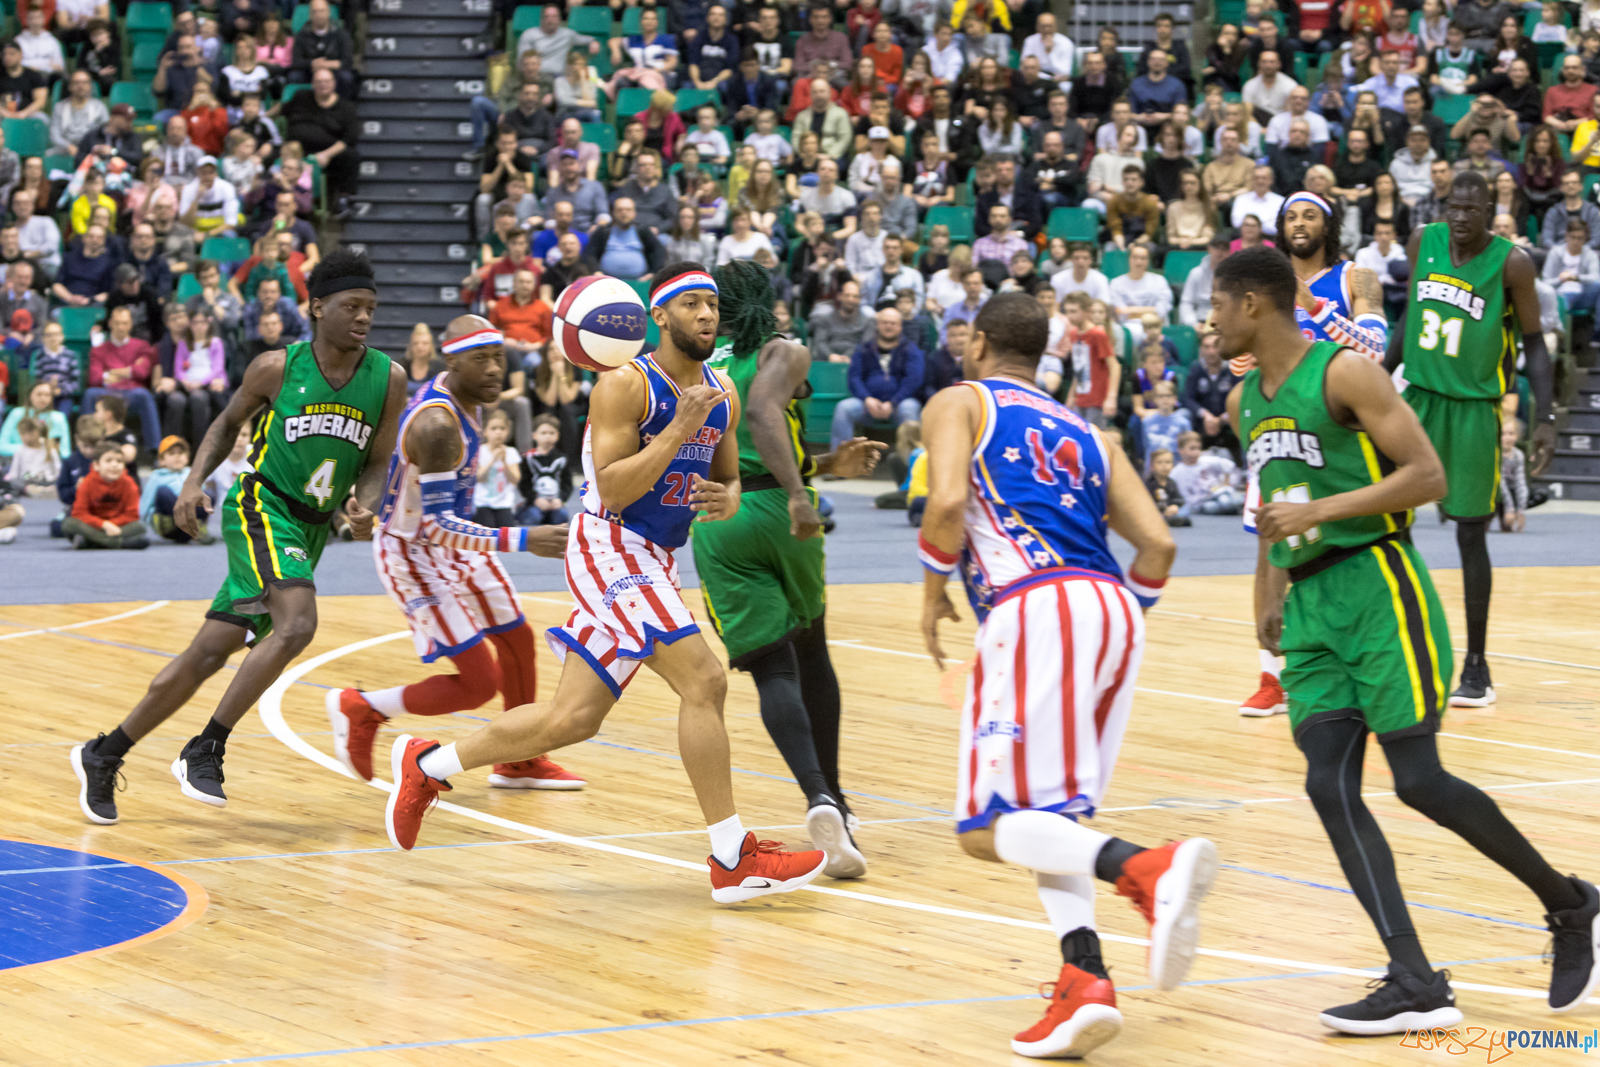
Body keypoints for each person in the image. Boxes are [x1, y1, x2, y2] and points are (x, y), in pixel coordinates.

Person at [1215, 244, 1599, 1033]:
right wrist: (1269, 592)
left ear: (1253, 303)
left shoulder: (1347, 373)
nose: (1209, 323)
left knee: (1418, 779)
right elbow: (1271, 510)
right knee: (1329, 782)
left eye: (1216, 307)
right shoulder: (1242, 401)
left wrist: (1319, 515)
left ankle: (1571, 903)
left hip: (1379, 583)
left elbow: (1428, 477)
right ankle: (1416, 978)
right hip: (1311, 606)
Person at [380, 262, 831, 905]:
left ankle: (428, 766)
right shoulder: (624, 384)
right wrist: (679, 425)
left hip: (657, 557)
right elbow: (615, 490)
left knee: (573, 719)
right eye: (693, 304)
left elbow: (729, 479)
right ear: (661, 317)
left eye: (713, 305)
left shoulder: (723, 391)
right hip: (609, 547)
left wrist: (725, 498)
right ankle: (732, 856)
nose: (708, 314)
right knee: (702, 679)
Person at [918, 290, 1216, 1059]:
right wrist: (1110, 630)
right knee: (1052, 815)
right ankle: (1084, 977)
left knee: (986, 829)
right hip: (1113, 606)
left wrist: (930, 596)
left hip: (1032, 604)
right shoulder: (1091, 429)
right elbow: (1158, 546)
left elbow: (947, 501)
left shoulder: (959, 400)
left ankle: (1145, 866)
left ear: (979, 344)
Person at [69, 250, 407, 823]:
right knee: (298, 622)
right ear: (317, 306)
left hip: (310, 526)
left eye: (371, 308)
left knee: (208, 653)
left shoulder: (388, 379)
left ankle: (104, 753)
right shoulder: (278, 367)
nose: (364, 318)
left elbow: (378, 460)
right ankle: (207, 747)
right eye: (352, 306)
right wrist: (193, 483)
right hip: (261, 505)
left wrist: (364, 504)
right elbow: (226, 425)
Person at [691, 259, 887, 877]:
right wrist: (802, 492)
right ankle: (838, 804)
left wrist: (826, 465)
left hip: (720, 515)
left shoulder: (698, 363)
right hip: (780, 508)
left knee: (773, 666)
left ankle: (819, 796)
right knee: (814, 652)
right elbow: (764, 418)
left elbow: (755, 441)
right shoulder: (783, 351)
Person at [327, 316, 580, 790]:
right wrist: (525, 539)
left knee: (517, 641)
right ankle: (364, 708)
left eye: (499, 357)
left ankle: (519, 761)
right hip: (414, 551)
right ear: (452, 362)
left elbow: (397, 465)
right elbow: (433, 525)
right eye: (481, 359)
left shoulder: (466, 397)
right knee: (479, 684)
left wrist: (371, 501)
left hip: (457, 538)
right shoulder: (438, 423)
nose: (494, 369)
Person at [1387, 173, 1556, 706]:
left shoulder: (1513, 263)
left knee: (1470, 534)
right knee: (1387, 520)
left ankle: (1477, 667)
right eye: (1453, 208)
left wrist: (1545, 418)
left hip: (1474, 410)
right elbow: (1409, 321)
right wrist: (1374, 377)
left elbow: (1534, 342)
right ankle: (1401, 644)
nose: (1461, 218)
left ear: (1491, 208)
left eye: (1471, 209)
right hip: (1417, 400)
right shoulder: (1423, 242)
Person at [1232, 190, 1390, 717]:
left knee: (1350, 543)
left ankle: (1356, 659)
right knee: (1270, 542)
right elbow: (1242, 359)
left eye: (1309, 215)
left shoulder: (1355, 278)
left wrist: (1314, 307)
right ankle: (1270, 674)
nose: (1299, 223)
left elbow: (1373, 349)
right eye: (1291, 216)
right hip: (1279, 423)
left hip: (1338, 429)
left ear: (1329, 223)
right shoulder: (1267, 283)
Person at [831, 306, 923, 449]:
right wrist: (867, 399)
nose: (888, 326)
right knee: (843, 408)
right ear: (878, 325)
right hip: (867, 403)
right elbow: (854, 378)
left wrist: (893, 402)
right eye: (885, 322)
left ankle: (910, 464)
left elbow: (914, 380)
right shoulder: (863, 349)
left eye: (893, 323)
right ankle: (841, 463)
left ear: (900, 326)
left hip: (899, 403)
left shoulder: (910, 350)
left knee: (910, 408)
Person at [282, 68, 359, 211]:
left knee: (351, 156)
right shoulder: (301, 97)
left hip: (327, 154)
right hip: (295, 151)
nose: (323, 85)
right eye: (319, 82)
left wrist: (326, 154)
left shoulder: (347, 108)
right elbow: (282, 110)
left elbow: (350, 138)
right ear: (313, 84)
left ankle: (344, 200)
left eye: (327, 81)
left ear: (334, 83)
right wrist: (264, 113)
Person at [63, 441, 148, 549]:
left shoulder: (130, 483)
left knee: (140, 527)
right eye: (108, 461)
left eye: (119, 461)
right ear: (96, 465)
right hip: (94, 526)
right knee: (69, 524)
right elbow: (80, 513)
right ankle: (118, 543)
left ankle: (93, 541)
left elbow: (132, 515)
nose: (114, 465)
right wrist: (103, 524)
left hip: (118, 527)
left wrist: (112, 525)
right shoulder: (86, 483)